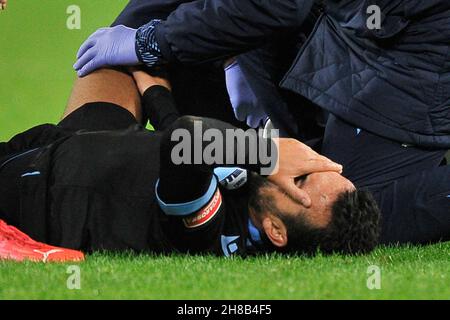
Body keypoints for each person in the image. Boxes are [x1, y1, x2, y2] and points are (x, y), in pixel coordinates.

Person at [73, 0, 450, 245]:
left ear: (274, 231)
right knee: (339, 205)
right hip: (359, 26)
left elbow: (280, 7)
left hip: (414, 54)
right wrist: (145, 39)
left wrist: (149, 43)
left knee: (346, 215)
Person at [0, 69, 379, 261]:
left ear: (276, 230)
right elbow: (176, 135)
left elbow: (185, 142)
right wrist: (154, 88)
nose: (297, 162)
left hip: (43, 186)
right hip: (99, 139)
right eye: (318, 166)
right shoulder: (257, 197)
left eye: (300, 178)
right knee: (115, 46)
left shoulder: (205, 232)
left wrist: (267, 152)